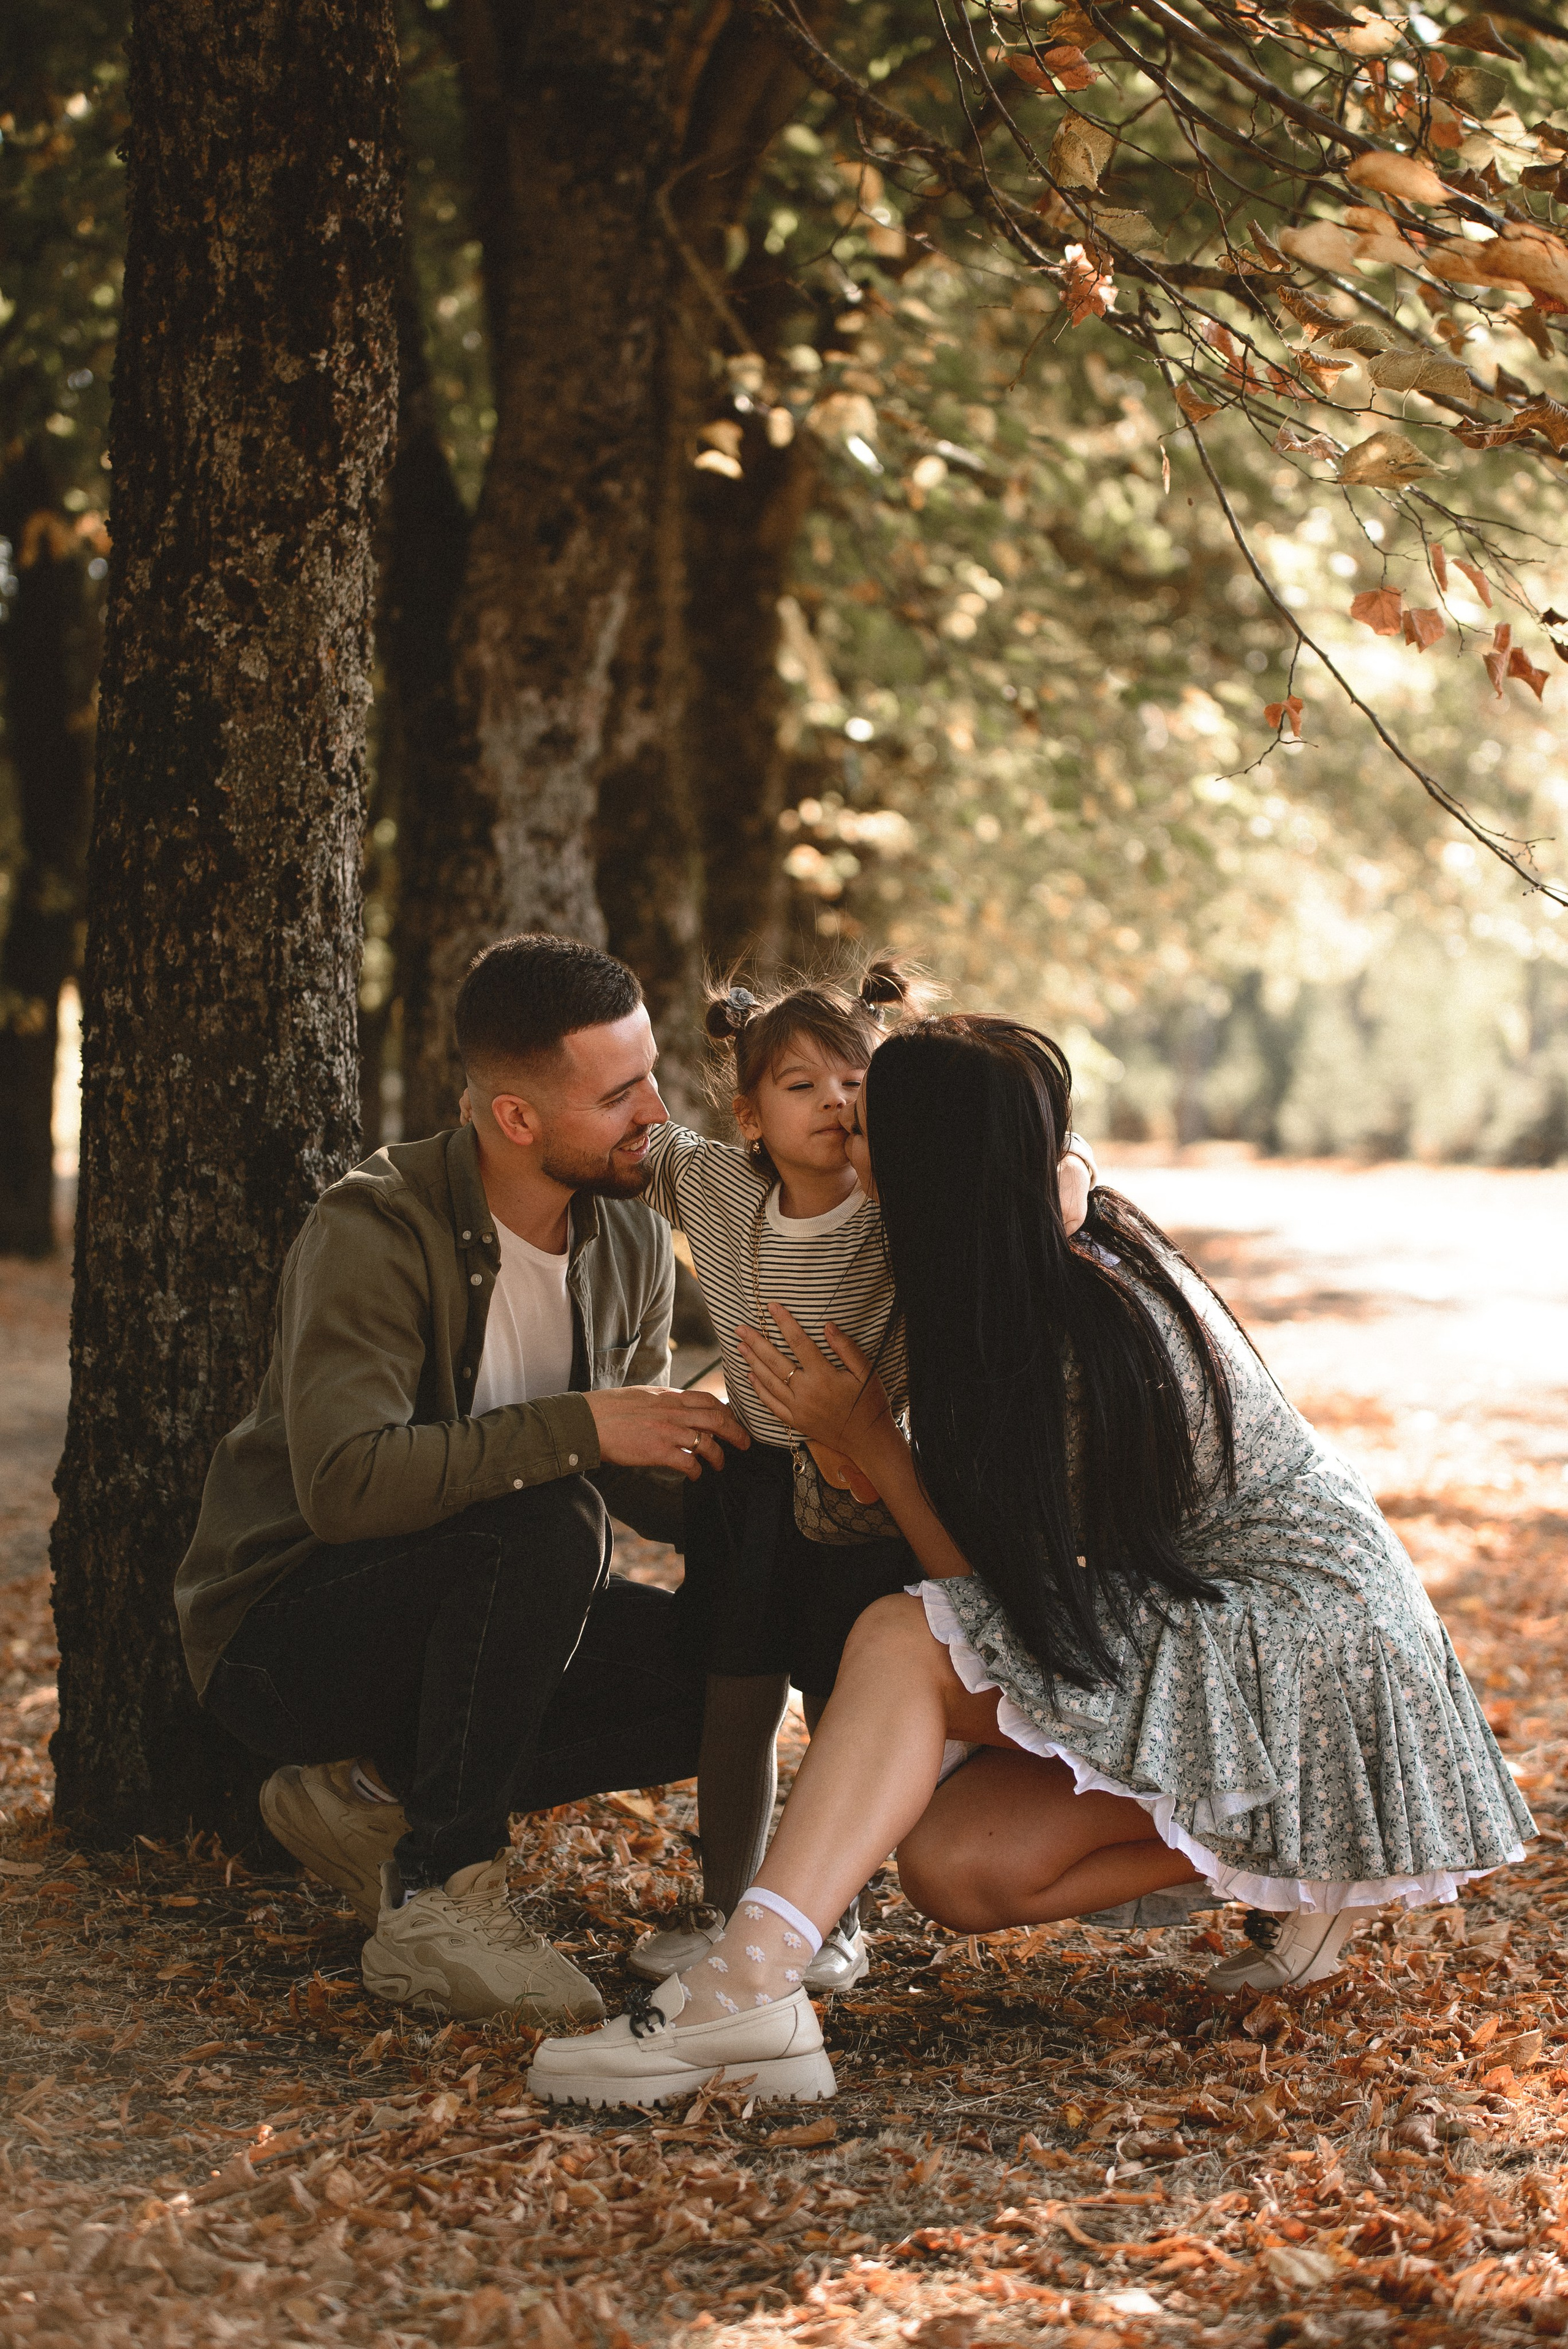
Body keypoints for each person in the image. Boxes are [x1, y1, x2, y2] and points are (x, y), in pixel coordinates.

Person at [527, 1015, 1533, 2109]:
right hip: (1249, 1617)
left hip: (1306, 1633)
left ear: (930, 1169)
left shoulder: (1062, 1327)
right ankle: (1319, 1848)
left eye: (866, 1129)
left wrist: (867, 1439)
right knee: (960, 1871)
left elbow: (1006, 1606)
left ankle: (749, 1988)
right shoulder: (1019, 1240)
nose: (838, 1141)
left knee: (903, 1639)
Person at [175, 935, 750, 2024]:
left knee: (719, 1666)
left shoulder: (626, 1233)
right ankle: (442, 1896)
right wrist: (584, 1426)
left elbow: (634, 1459)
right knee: (546, 1522)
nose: (656, 1119)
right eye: (620, 1094)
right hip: (283, 1634)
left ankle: (372, 1801)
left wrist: (776, 1482)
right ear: (517, 1119)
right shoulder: (377, 1226)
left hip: (471, 1620)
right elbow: (348, 1487)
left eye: (654, 1078)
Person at [624, 963, 1098, 1997]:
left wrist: (1074, 1182)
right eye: (801, 1086)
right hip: (752, 1485)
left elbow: (1031, 1154)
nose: (836, 1104)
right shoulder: (716, 1186)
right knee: (737, 1695)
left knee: (851, 1699)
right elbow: (625, 1136)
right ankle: (728, 1904)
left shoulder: (898, 1209)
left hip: (865, 1490)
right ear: (749, 1113)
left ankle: (834, 1915)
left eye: (855, 1082)